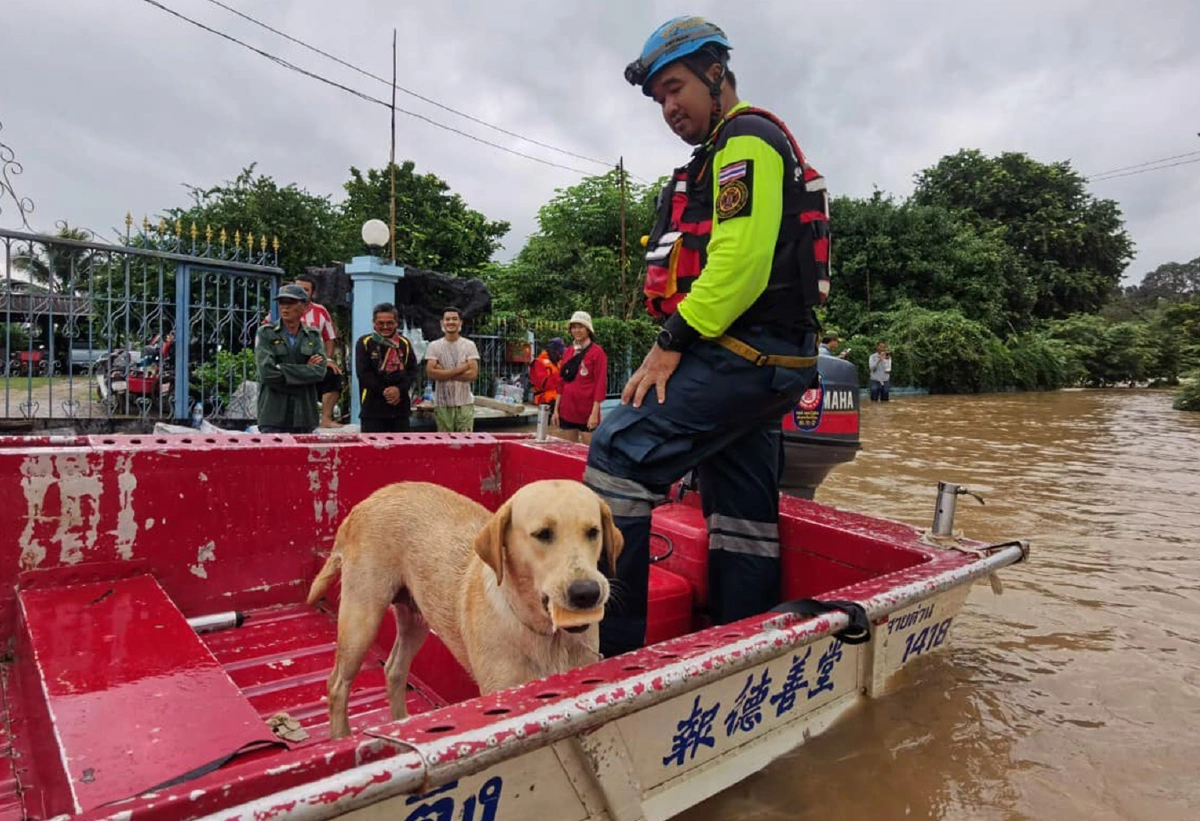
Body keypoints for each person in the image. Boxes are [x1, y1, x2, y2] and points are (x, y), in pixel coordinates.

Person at [585, 16, 831, 657]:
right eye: (660, 98)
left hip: (744, 354)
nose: (669, 107)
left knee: (620, 452)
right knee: (740, 503)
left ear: (716, 74)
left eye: (676, 88)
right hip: (771, 360)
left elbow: (739, 265)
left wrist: (670, 342)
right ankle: (739, 642)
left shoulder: (743, 144)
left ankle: (612, 654)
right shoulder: (722, 151)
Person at [254, 283, 328, 434]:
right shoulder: (266, 333)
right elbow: (267, 373)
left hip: (304, 415)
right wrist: (305, 371)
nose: (285, 308)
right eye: (282, 303)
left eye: (291, 303)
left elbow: (319, 371)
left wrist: (282, 369)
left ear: (305, 307)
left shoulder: (313, 335)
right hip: (273, 413)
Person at [355, 302, 419, 432]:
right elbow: (363, 373)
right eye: (380, 323)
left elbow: (412, 371)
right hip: (373, 410)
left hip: (400, 410)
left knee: (400, 451)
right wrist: (385, 391)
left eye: (390, 323)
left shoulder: (404, 344)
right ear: (374, 323)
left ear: (396, 323)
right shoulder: (365, 343)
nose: (385, 327)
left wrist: (398, 390)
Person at [294, 274, 344, 428]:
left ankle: (326, 419)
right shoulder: (282, 308)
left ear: (312, 293)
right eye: (297, 288)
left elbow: (329, 338)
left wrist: (327, 360)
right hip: (292, 362)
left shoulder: (320, 311)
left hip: (316, 361)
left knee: (333, 375)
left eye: (305, 290)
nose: (300, 293)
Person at [553, 312, 607, 445]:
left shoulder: (597, 352)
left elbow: (600, 383)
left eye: (580, 327)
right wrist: (556, 410)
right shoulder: (568, 352)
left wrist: (595, 413)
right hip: (567, 409)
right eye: (574, 327)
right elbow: (561, 382)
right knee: (569, 451)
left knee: (588, 453)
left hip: (587, 410)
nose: (577, 330)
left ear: (588, 329)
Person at [424, 306, 481, 432]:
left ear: (460, 322)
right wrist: (461, 368)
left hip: (465, 402)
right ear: (442, 323)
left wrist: (443, 372)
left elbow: (472, 374)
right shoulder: (434, 346)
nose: (451, 322)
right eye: (447, 319)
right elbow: (431, 373)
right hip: (442, 403)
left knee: (466, 443)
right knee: (445, 444)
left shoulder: (469, 345)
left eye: (454, 319)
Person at [530, 336, 565, 407]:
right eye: (559, 353)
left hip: (558, 399)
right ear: (551, 351)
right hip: (544, 400)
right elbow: (543, 385)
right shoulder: (539, 363)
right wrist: (561, 375)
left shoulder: (558, 363)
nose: (561, 355)